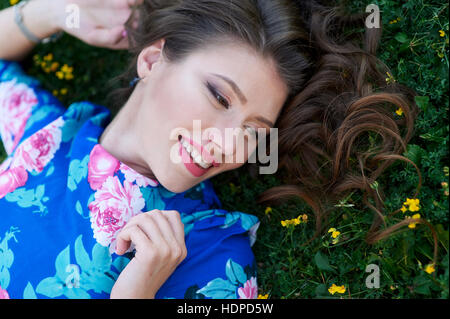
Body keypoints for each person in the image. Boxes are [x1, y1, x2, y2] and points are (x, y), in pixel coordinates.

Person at [0, 0, 427, 299]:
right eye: (219, 98)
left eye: (253, 131)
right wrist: (49, 11)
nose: (227, 144)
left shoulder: (217, 254)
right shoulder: (53, 136)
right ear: (151, 61)